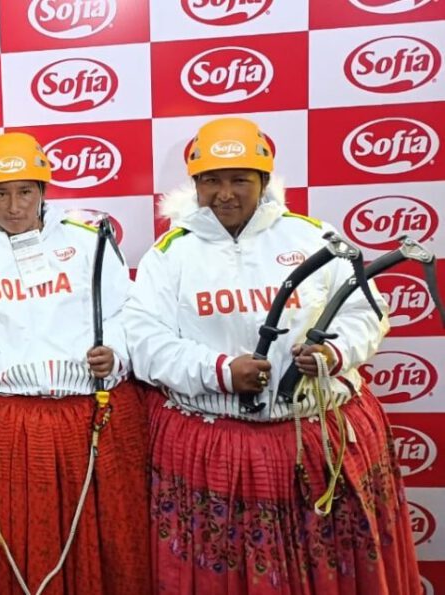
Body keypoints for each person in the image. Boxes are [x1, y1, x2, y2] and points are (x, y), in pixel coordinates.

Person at [123, 116, 420, 594]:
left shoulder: (312, 236)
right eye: (211, 181)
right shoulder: (170, 254)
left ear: (263, 181)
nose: (225, 194)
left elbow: (367, 309)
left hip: (320, 435)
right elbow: (144, 342)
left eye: (239, 179)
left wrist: (333, 352)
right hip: (216, 446)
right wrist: (220, 372)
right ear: (195, 185)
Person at [0, 132, 150, 594]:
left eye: (25, 191)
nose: (14, 206)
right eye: (1, 194)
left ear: (44, 191)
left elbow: (125, 316)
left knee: (93, 541)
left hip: (84, 414)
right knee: (8, 540)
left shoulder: (89, 243)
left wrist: (114, 353)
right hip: (3, 420)